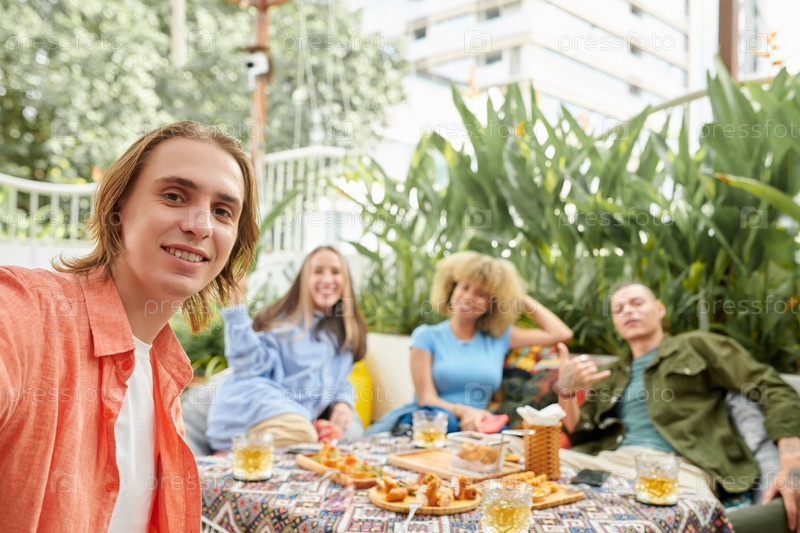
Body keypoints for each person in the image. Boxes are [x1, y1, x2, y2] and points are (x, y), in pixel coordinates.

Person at [0, 121, 259, 532]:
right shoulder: (28, 311)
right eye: (174, 196)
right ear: (117, 209)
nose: (200, 225)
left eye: (222, 211)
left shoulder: (165, 378)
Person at [555, 282, 800, 533]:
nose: (627, 311)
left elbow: (772, 388)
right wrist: (566, 390)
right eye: (618, 309)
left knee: (678, 520)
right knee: (530, 459)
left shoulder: (697, 347)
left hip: (677, 468)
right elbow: (578, 430)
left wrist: (792, 463)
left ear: (659, 309)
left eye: (637, 303)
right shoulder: (611, 374)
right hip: (609, 462)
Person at [366, 250, 573, 435]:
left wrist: (517, 296)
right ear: (452, 289)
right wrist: (464, 412)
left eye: (480, 294)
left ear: (491, 304)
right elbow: (426, 398)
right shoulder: (426, 336)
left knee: (501, 436)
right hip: (431, 422)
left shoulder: (499, 338)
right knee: (449, 423)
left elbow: (561, 333)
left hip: (476, 425)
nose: (468, 297)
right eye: (464, 287)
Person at [206, 245, 368, 450]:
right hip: (251, 411)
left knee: (350, 433)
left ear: (345, 280)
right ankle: (234, 451)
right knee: (304, 434)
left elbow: (339, 379)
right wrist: (235, 308)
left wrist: (343, 401)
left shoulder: (342, 335)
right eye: (318, 271)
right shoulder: (284, 324)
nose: (327, 279)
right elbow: (248, 367)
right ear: (304, 280)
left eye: (335, 272)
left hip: (294, 419)